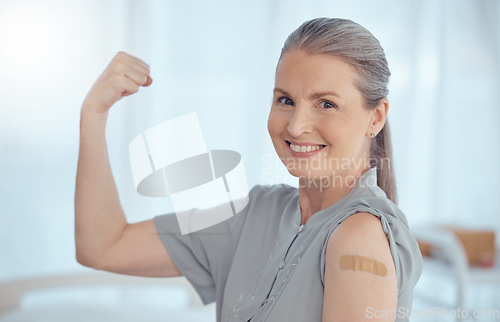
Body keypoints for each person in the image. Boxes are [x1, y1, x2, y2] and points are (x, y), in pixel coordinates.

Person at [75, 18, 422, 321]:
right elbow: (104, 246)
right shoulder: (256, 215)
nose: (297, 125)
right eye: (285, 100)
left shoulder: (359, 238)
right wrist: (93, 115)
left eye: (326, 104)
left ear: (375, 117)